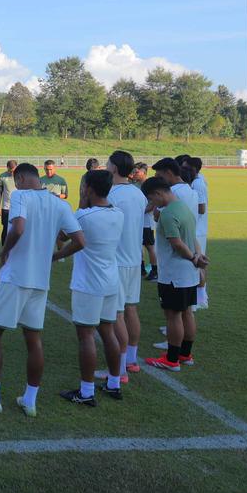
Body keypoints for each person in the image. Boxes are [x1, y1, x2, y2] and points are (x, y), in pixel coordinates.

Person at [0, 163, 81, 418]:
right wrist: (54, 256)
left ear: (21, 177)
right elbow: (80, 240)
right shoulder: (59, 204)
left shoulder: (20, 195)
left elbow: (18, 228)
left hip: (16, 276)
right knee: (33, 339)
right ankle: (30, 399)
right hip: (40, 280)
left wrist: (5, 253)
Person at [53, 170, 123, 407]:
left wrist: (56, 256)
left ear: (89, 189)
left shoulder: (83, 216)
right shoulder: (118, 213)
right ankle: (114, 383)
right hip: (111, 281)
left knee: (85, 336)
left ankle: (86, 391)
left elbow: (63, 236)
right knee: (108, 331)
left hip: (88, 284)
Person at [141, 177, 208, 372]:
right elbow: (192, 237)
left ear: (158, 193)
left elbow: (177, 243)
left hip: (173, 274)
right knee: (187, 312)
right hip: (188, 273)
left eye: (151, 199)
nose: (152, 203)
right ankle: (185, 354)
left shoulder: (169, 214)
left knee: (172, 315)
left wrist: (194, 259)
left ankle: (171, 359)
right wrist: (197, 257)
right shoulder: (183, 208)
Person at [107, 151, 146, 378]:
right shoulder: (138, 194)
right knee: (131, 309)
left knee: (118, 314)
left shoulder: (113, 194)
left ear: (114, 167)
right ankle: (131, 360)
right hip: (134, 258)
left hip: (118, 260)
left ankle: (120, 369)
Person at [187, 157, 210, 310]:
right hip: (197, 228)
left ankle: (200, 298)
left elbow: (201, 208)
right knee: (197, 264)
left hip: (198, 229)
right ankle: (201, 298)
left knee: (197, 263)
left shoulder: (198, 183)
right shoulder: (197, 181)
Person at [133, 162, 158, 282]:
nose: (134, 174)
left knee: (150, 246)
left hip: (146, 222)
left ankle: (155, 270)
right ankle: (141, 268)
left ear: (144, 172)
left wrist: (140, 212)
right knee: (139, 245)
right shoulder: (135, 184)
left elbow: (153, 203)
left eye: (136, 172)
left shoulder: (149, 185)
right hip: (138, 221)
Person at [0, 160, 18, 246]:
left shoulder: (22, 176)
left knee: (19, 229)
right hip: (6, 207)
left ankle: (17, 250)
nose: (12, 173)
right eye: (10, 171)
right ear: (7, 168)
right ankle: (4, 249)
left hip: (19, 207)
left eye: (14, 170)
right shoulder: (2, 176)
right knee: (5, 228)